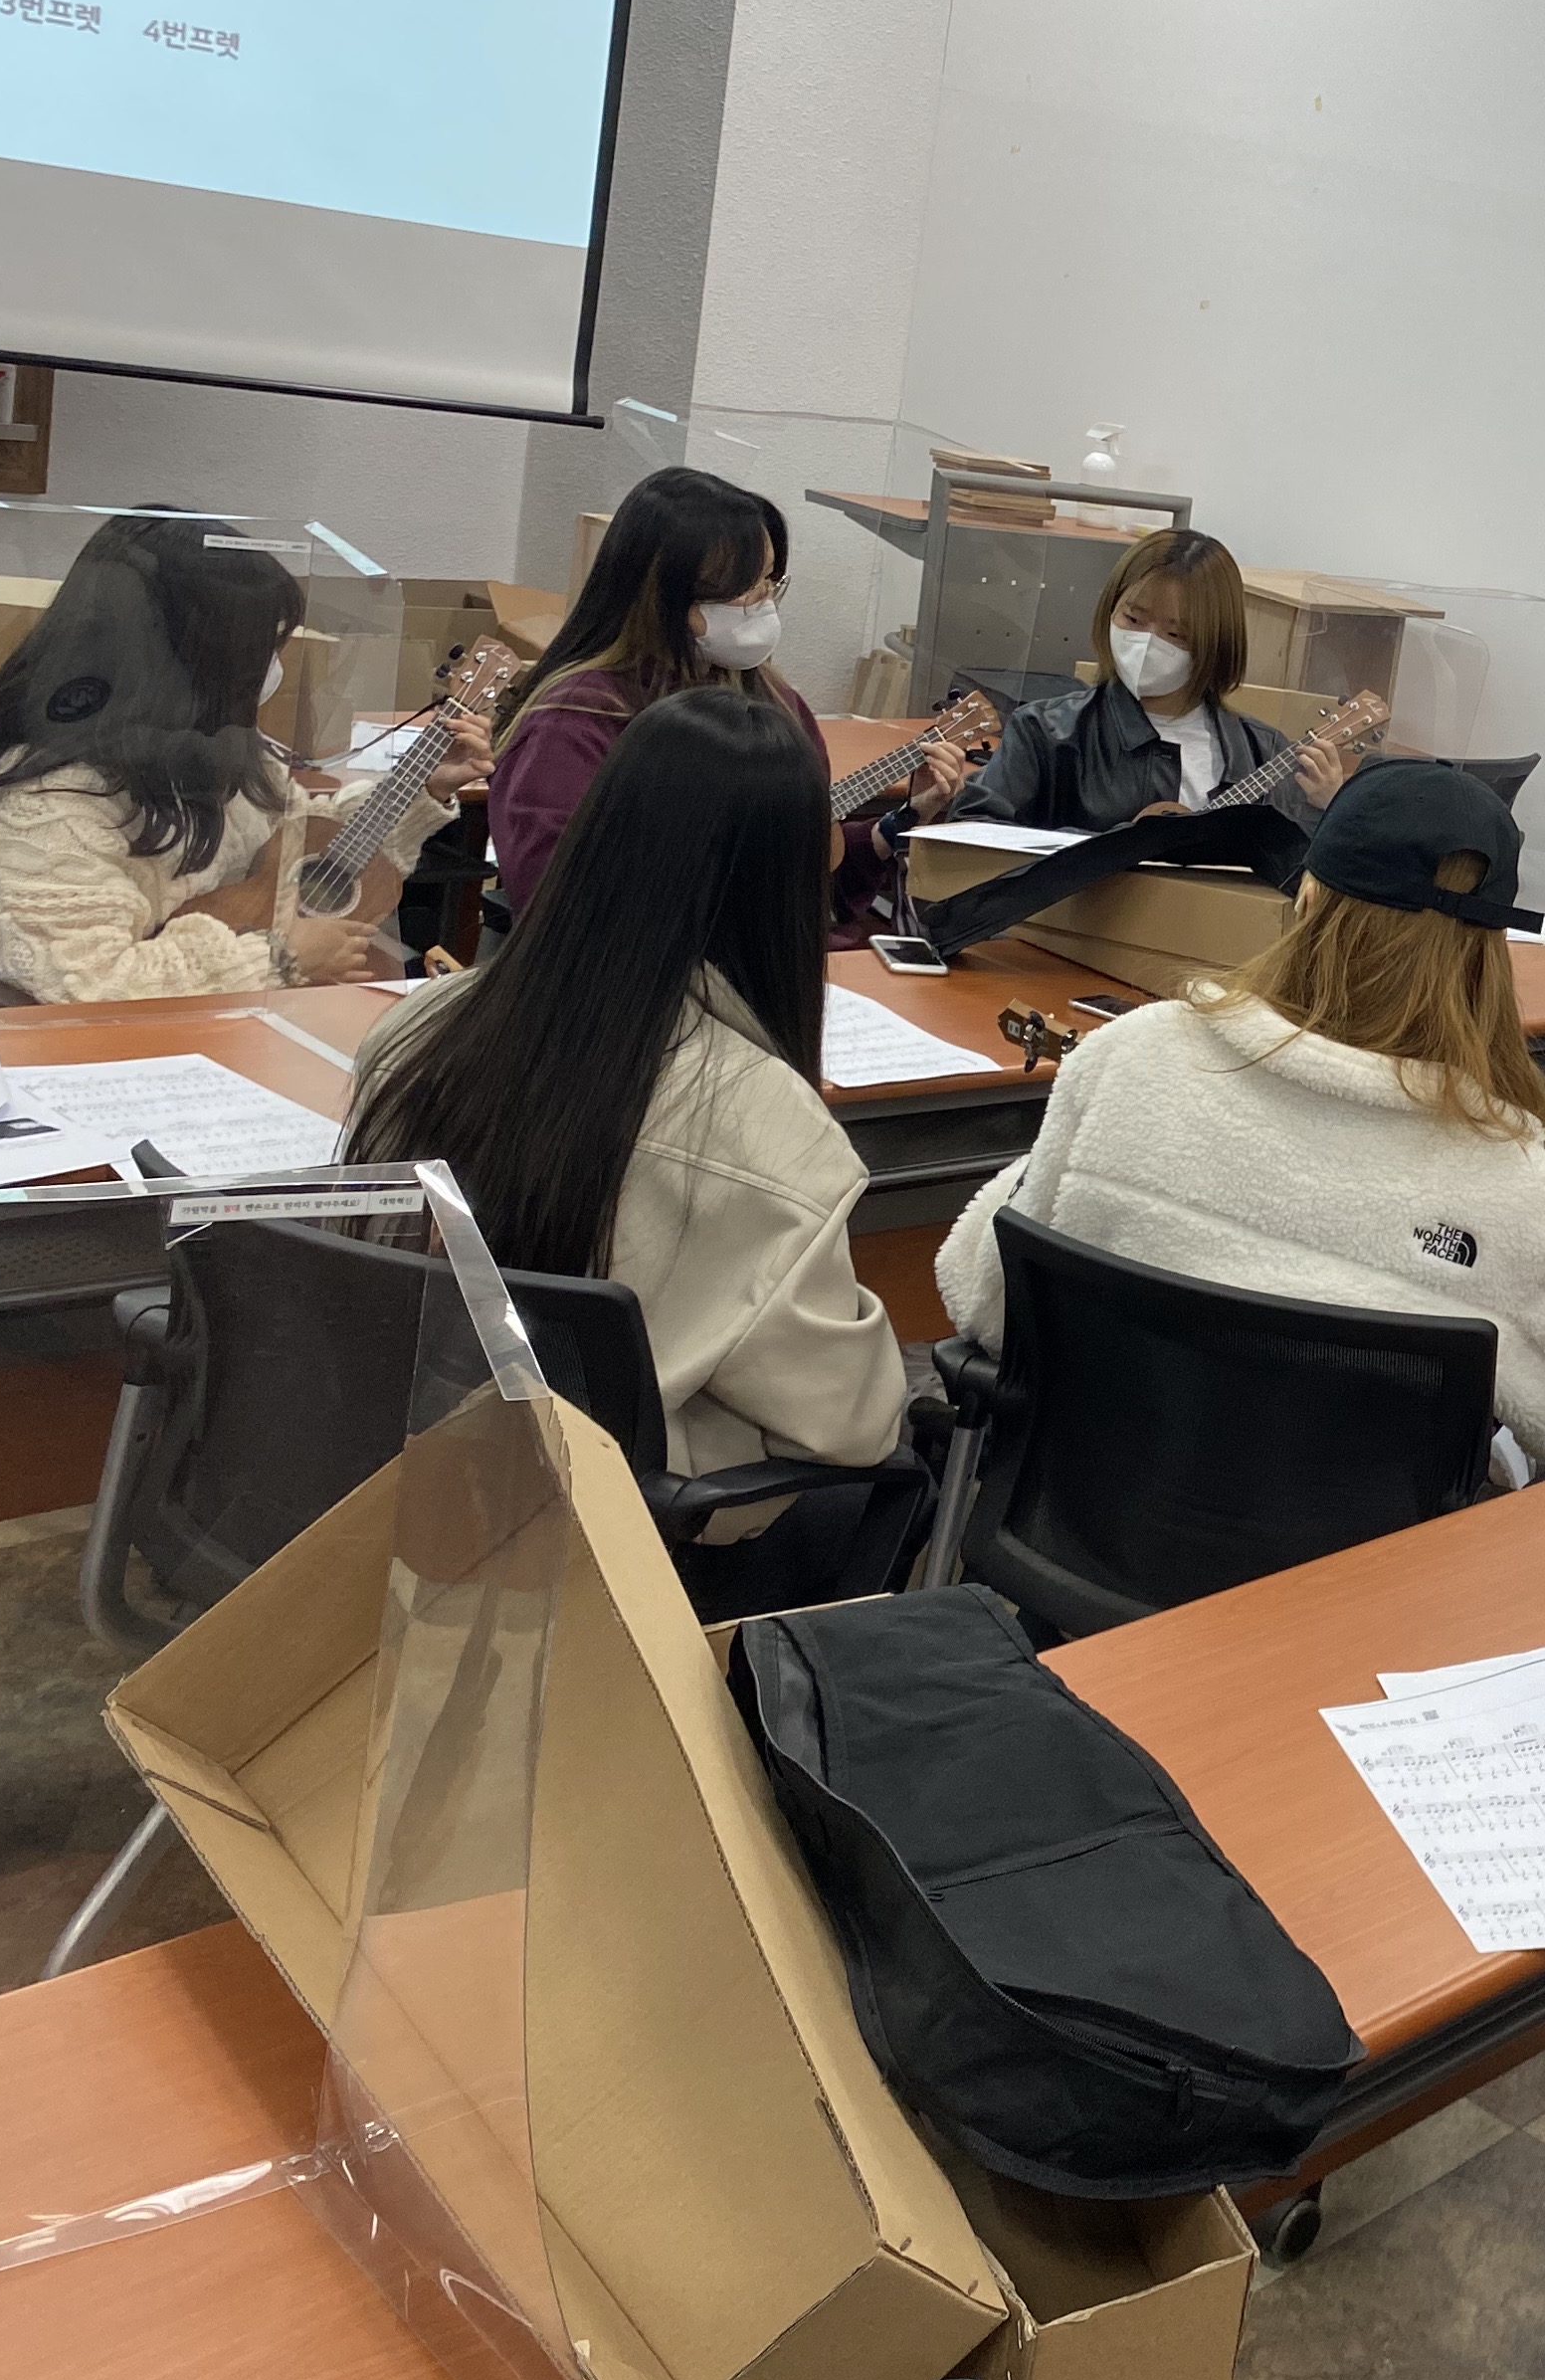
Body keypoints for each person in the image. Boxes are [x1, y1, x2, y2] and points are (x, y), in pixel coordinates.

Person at [343, 688, 918, 1610]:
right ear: (780, 890)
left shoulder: (418, 1030)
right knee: (897, 1466)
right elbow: (849, 1424)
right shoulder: (770, 1129)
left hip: (407, 1482)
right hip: (617, 1551)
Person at [936, 759, 1545, 1479]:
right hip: (1377, 1551)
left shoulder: (1127, 1058)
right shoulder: (1526, 1202)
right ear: (1490, 955)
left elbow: (982, 1296)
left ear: (1306, 898)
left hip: (1085, 1521)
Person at [0, 508, 488, 1001]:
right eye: (259, 649)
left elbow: (303, 849)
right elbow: (93, 982)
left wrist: (421, 786)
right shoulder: (44, 808)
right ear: (190, 667)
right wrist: (279, 959)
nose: (272, 668)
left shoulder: (211, 751)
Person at [487, 467, 963, 947]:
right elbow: (558, 905)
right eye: (742, 588)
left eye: (769, 580)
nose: (763, 601)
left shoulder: (776, 703)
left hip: (782, 969)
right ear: (662, 596)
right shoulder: (576, 720)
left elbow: (811, 889)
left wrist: (904, 819)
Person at [953, 525, 1354, 834]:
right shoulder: (1045, 732)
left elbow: (1299, 881)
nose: (1146, 643)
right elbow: (971, 832)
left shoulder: (1262, 753)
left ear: (1215, 645)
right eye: (1133, 618)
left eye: (1175, 634)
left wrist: (1327, 810)